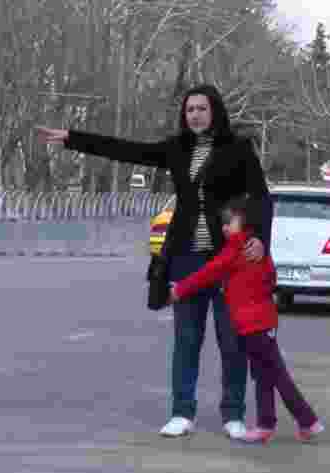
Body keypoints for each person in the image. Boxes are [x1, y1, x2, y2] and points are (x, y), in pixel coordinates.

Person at [37, 85, 272, 439]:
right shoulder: (176, 148)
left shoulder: (238, 150)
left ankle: (233, 415)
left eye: (201, 109)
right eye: (190, 109)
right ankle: (182, 413)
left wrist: (260, 241)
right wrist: (73, 138)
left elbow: (262, 198)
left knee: (231, 341)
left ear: (215, 112)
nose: (195, 115)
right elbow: (128, 150)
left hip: (229, 262)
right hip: (187, 260)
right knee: (187, 339)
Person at [170, 197, 323, 444]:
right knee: (263, 374)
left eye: (228, 224)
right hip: (262, 324)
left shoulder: (235, 250)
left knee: (276, 375)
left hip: (255, 326)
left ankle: (307, 421)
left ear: (243, 222)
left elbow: (208, 273)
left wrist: (179, 290)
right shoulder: (257, 249)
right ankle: (265, 424)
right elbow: (271, 278)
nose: (224, 229)